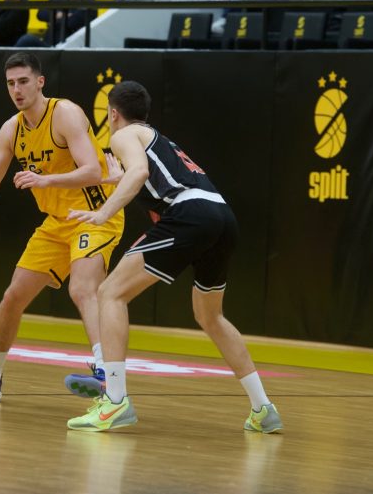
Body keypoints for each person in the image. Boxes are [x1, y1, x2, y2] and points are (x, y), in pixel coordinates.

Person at [65, 80, 282, 434]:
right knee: (210, 316)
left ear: (113, 114)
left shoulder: (124, 135)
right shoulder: (158, 139)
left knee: (110, 293)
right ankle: (263, 408)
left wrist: (103, 213)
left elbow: (140, 173)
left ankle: (115, 402)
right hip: (222, 216)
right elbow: (144, 175)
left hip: (190, 214)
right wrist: (118, 179)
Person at [0, 52, 125, 404]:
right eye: (11, 83)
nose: (17, 89)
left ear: (40, 82)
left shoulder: (65, 113)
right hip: (57, 222)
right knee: (13, 297)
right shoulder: (11, 130)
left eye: (23, 81)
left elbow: (92, 170)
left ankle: (105, 371)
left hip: (95, 213)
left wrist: (45, 180)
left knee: (82, 288)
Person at [14, 0, 97, 47]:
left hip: (70, 47)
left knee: (26, 40)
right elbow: (41, 13)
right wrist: (62, 15)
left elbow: (72, 22)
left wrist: (54, 15)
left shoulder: (90, 3)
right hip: (49, 44)